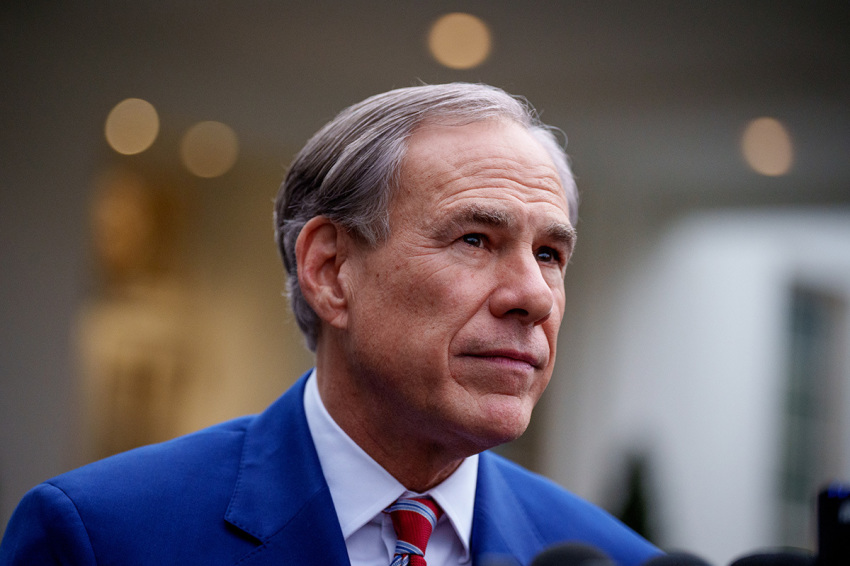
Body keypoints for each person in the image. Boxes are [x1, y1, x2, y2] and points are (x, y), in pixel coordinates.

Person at [1, 83, 660, 565]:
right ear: (330, 269)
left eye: (550, 254)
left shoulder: (616, 558)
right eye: (476, 240)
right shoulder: (99, 537)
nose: (534, 298)